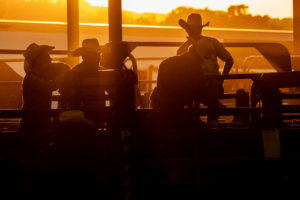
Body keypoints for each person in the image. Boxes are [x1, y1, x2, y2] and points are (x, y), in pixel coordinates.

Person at [177, 13, 234, 123]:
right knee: (199, 98)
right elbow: (229, 60)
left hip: (210, 83)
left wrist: (221, 79)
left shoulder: (184, 49)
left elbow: (229, 60)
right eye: (190, 28)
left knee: (196, 98)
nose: (192, 31)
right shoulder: (183, 49)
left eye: (195, 28)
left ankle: (206, 124)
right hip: (196, 83)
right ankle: (206, 123)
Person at [18, 43, 70, 132]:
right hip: (33, 124)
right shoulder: (31, 78)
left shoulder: (38, 76)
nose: (50, 59)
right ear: (38, 60)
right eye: (47, 56)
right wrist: (64, 70)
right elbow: (53, 86)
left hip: (36, 122)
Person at [59, 38, 110, 109]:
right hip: (90, 113)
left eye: (98, 54)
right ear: (84, 56)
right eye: (93, 55)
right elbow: (113, 92)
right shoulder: (104, 72)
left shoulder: (74, 71)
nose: (98, 58)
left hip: (82, 114)